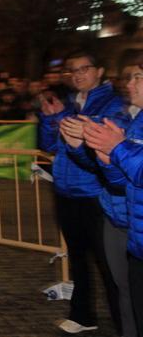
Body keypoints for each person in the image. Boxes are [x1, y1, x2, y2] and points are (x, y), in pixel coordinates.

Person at [38, 51, 122, 335]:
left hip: (95, 193)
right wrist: (51, 119)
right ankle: (83, 314)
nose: (77, 75)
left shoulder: (113, 103)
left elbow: (96, 147)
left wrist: (71, 123)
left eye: (84, 69)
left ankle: (124, 321)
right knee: (77, 258)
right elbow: (49, 144)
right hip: (65, 190)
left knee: (108, 262)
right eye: (72, 70)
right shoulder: (71, 104)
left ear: (99, 71)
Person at [80, 62, 143, 337]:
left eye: (138, 77)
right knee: (130, 302)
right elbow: (123, 181)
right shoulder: (139, 120)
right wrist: (106, 158)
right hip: (136, 236)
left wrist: (117, 149)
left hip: (131, 228)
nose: (129, 84)